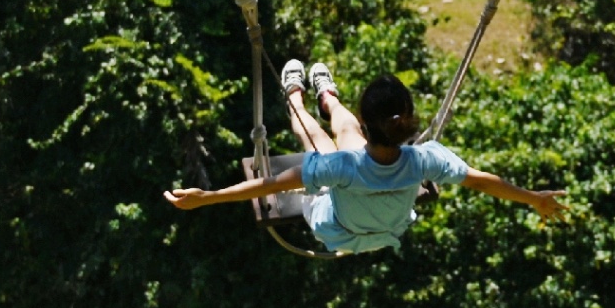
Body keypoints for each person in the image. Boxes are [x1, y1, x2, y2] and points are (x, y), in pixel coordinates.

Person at [163, 61, 565, 252]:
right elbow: (481, 180)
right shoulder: (424, 160)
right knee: (346, 135)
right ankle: (327, 94)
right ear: (406, 121)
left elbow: (268, 184)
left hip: (334, 228)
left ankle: (297, 98)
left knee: (315, 137)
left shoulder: (340, 168)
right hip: (388, 232)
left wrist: (208, 198)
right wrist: (533, 198)